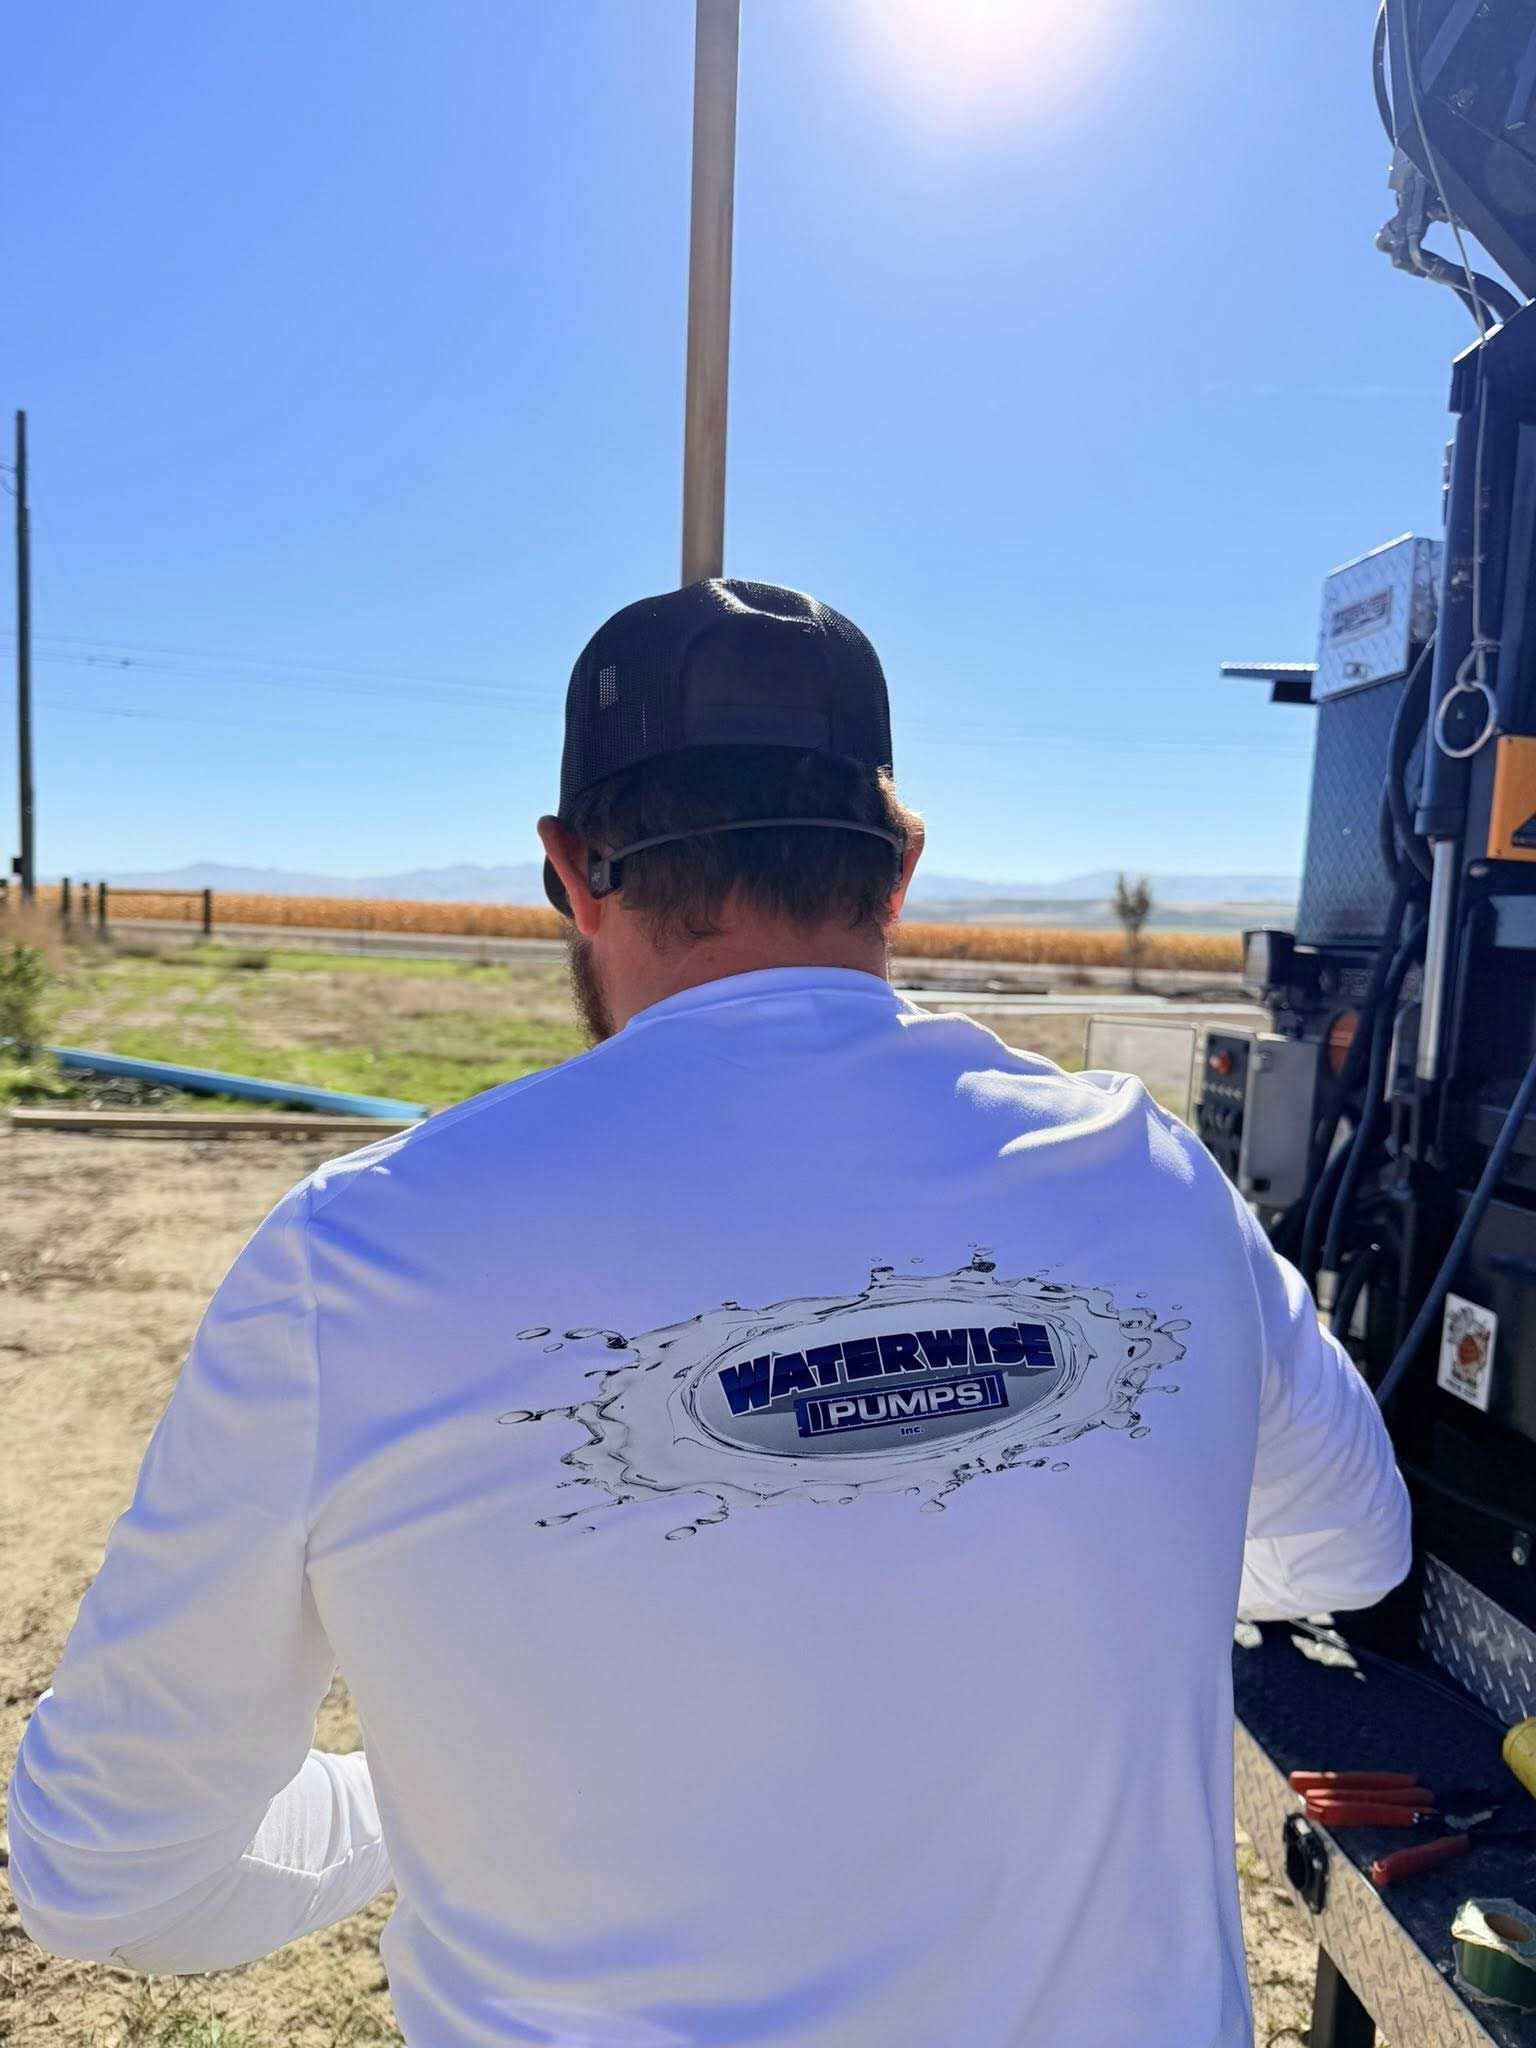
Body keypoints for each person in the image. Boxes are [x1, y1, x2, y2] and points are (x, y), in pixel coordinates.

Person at [8, 579, 1410, 2047]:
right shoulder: (1148, 1175)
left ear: (567, 869)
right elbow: (1351, 1542)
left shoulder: (358, 1258)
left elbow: (110, 1876)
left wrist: (419, 1785)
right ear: (897, 868)